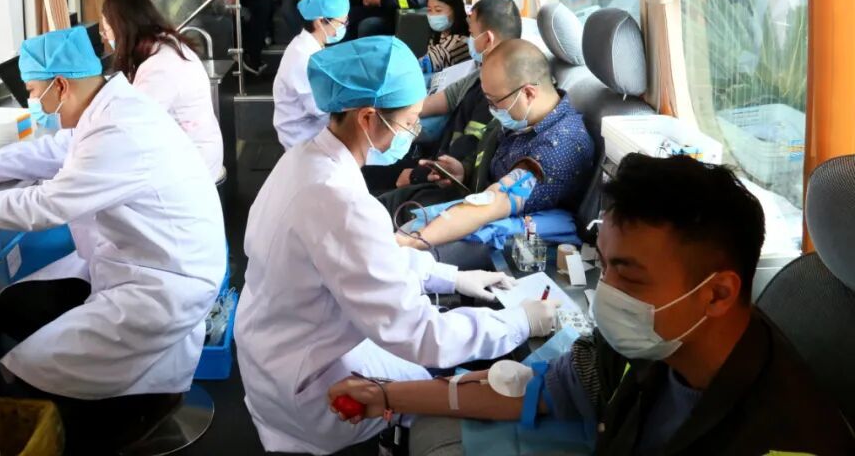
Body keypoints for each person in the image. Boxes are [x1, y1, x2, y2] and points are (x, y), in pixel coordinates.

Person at [330, 155, 855, 456]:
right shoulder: (649, 344)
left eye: (628, 273)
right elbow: (529, 389)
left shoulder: (787, 438)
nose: (608, 291)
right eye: (604, 265)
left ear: (717, 294)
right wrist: (386, 394)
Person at [234, 36, 560, 455]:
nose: (413, 132)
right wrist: (518, 322)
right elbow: (420, 334)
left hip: (277, 351)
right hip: (307, 384)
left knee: (421, 377)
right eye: (409, 122)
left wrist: (452, 277)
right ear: (368, 118)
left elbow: (370, 260)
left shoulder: (303, 159)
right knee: (432, 390)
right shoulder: (339, 202)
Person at [0, 27, 226, 445]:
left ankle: (119, 421)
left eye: (33, 91)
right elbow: (50, 151)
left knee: (28, 370)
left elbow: (46, 206)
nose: (33, 103)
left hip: (164, 283)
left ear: (60, 85)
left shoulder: (118, 129)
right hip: (147, 262)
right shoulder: (111, 109)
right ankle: (127, 401)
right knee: (17, 306)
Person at [396, 39, 594, 252]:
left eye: (494, 101)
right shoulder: (525, 117)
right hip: (475, 198)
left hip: (510, 239)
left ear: (528, 93)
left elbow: (490, 204)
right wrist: (465, 171)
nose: (491, 109)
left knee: (408, 235)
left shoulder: (557, 147)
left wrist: (414, 241)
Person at [365, 0, 521, 203]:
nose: (469, 39)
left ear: (487, 39)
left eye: (472, 33)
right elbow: (446, 98)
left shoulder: (497, 94)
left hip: (445, 178)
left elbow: (464, 157)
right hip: (437, 162)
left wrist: (416, 176)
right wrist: (390, 111)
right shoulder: (479, 75)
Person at [101, 0, 224, 179]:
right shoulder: (165, 45)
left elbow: (135, 126)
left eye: (107, 30)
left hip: (193, 163)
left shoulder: (159, 67)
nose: (106, 38)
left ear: (122, 29)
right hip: (197, 150)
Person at [272, 0, 350, 149]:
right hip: (303, 141)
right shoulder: (303, 57)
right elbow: (321, 108)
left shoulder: (310, 45)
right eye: (341, 23)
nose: (343, 28)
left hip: (313, 132)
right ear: (320, 21)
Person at [421, 0, 470, 73]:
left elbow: (428, 62)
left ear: (455, 10)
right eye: (429, 10)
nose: (432, 15)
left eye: (438, 10)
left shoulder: (459, 42)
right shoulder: (439, 33)